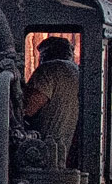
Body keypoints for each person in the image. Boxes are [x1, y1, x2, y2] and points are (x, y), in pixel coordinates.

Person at [23, 36, 81, 170]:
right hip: (65, 156)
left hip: (42, 155)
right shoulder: (78, 72)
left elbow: (28, 109)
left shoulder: (49, 70)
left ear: (44, 56)